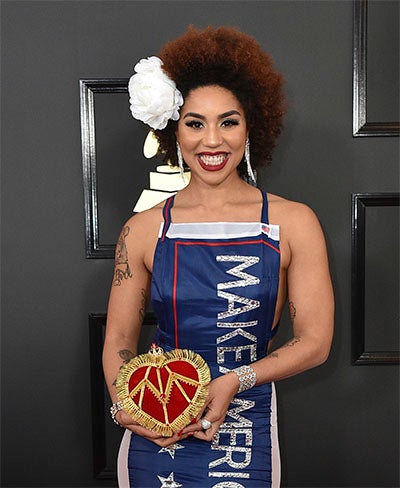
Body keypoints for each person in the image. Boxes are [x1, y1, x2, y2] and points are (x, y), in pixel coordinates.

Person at [103, 26, 334, 488]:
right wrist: (127, 406)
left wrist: (234, 380)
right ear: (174, 130)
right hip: (158, 431)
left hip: (245, 433)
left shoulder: (294, 221)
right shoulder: (142, 228)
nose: (212, 141)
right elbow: (119, 339)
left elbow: (315, 341)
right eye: (195, 123)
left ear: (251, 128)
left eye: (228, 122)